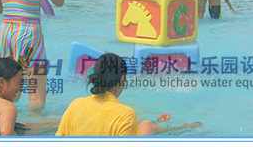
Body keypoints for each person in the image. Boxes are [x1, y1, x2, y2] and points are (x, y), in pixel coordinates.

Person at [56, 53, 202, 136]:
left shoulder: (75, 105)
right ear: (122, 80)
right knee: (146, 126)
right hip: (131, 125)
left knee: (146, 124)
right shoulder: (125, 114)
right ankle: (184, 127)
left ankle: (166, 124)